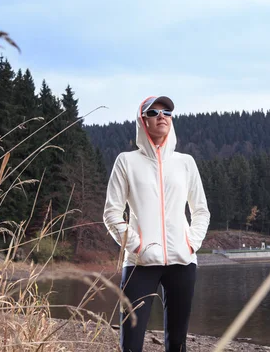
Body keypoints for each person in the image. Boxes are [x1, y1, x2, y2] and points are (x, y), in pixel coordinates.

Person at [103, 95, 210, 352]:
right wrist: (138, 247)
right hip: (140, 263)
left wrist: (191, 243)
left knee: (177, 343)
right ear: (143, 121)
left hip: (182, 262)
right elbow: (111, 213)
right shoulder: (126, 161)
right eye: (153, 112)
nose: (161, 116)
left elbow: (201, 211)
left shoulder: (185, 163)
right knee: (130, 343)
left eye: (167, 112)